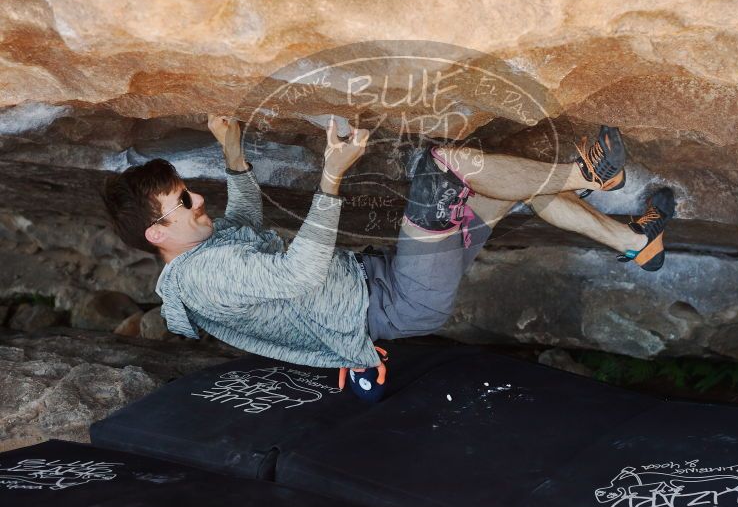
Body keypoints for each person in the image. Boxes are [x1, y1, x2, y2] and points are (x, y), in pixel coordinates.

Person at [101, 114, 674, 400]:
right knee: (441, 166)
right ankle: (587, 174)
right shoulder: (206, 277)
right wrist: (330, 177)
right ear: (157, 232)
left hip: (382, 277)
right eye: (183, 201)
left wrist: (233, 153)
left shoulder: (200, 249)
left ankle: (636, 243)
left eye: (189, 191)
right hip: (397, 301)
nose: (198, 200)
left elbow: (245, 222)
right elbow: (299, 273)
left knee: (507, 183)